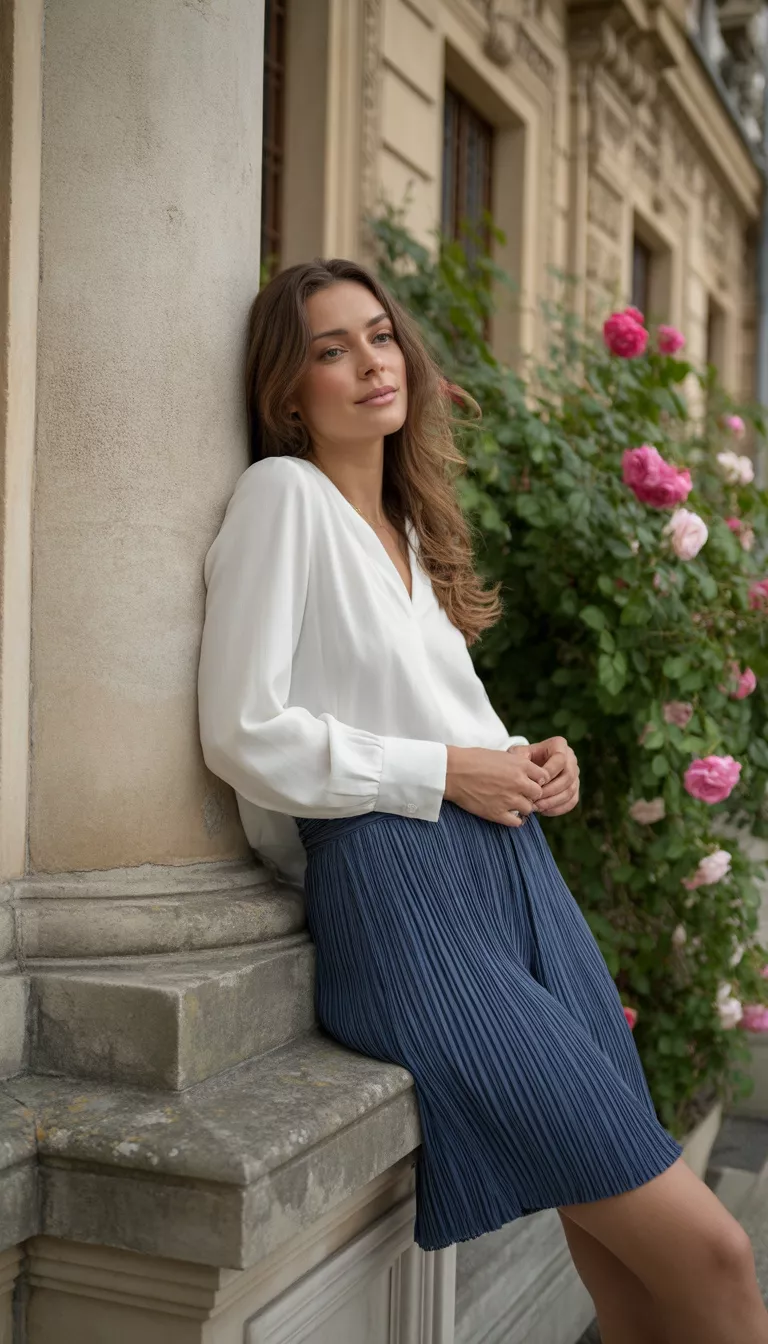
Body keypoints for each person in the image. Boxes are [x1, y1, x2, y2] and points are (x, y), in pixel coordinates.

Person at [197, 257, 768, 1343]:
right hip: (406, 897)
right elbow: (242, 732)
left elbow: (444, 718)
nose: (370, 362)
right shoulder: (284, 500)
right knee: (716, 1251)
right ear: (286, 391)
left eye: (378, 336)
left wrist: (530, 757)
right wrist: (449, 772)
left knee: (629, 1278)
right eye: (330, 349)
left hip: (517, 882)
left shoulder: (409, 530)